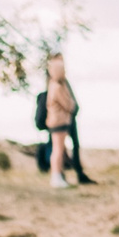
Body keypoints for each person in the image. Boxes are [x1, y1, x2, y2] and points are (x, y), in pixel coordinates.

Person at [43, 53, 79, 189]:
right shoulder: (57, 86)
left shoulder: (53, 84)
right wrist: (72, 105)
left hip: (56, 121)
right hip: (59, 121)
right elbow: (67, 104)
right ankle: (56, 177)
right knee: (58, 150)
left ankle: (58, 176)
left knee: (58, 149)